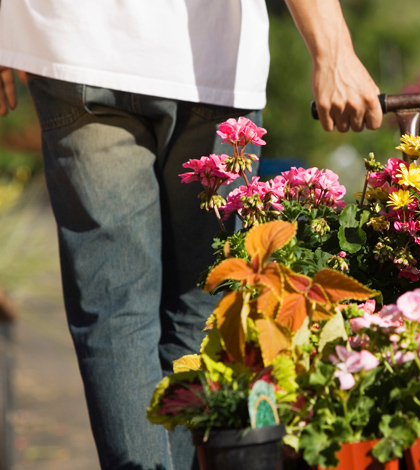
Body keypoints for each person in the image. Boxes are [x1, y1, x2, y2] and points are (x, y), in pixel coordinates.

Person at [0, 1, 381, 469]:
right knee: (200, 308)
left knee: (118, 313)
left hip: (76, 44)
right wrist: (332, 49)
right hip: (205, 56)